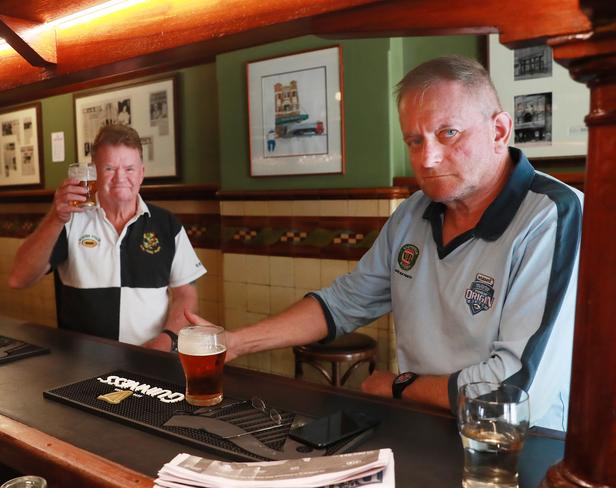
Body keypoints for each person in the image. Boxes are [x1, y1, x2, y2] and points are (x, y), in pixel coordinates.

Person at [187, 55, 582, 431]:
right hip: (421, 426)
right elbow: (345, 303)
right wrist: (235, 343)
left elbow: (512, 389)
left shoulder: (553, 214)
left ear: (499, 130)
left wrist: (399, 386)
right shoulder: (412, 214)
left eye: (449, 133)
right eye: (414, 140)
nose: (427, 159)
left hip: (513, 447)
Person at [8, 124, 206, 351]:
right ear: (94, 172)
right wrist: (55, 217)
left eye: (129, 168)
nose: (120, 177)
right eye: (109, 168)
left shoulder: (167, 224)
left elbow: (186, 295)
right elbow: (19, 279)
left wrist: (167, 339)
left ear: (142, 173)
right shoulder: (70, 220)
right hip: (80, 363)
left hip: (150, 359)